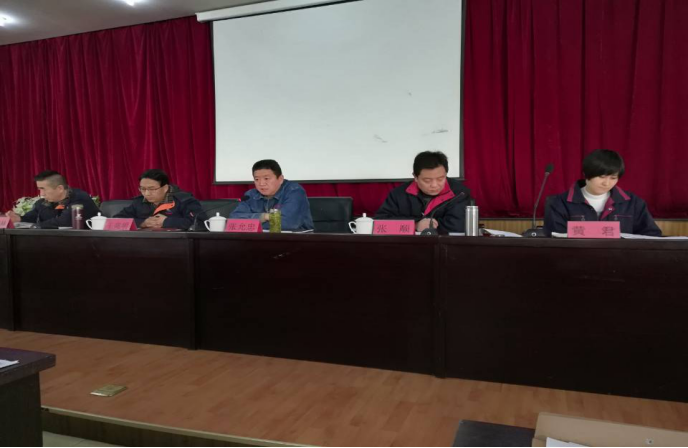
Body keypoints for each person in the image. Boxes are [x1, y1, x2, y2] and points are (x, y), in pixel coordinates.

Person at [544, 149, 662, 236]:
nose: (607, 183)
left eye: (613, 178)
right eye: (602, 177)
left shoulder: (633, 203)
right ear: (586, 174)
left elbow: (651, 236)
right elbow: (554, 240)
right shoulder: (559, 203)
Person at [376, 151, 472, 233]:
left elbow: (457, 226)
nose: (434, 185)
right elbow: (380, 223)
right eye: (427, 180)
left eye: (440, 179)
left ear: (446, 174)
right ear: (415, 177)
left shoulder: (459, 193)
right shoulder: (398, 194)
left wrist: (428, 226)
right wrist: (415, 225)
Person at [230, 160, 314, 231]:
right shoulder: (250, 195)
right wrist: (264, 216)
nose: (261, 183)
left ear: (280, 179)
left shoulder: (294, 191)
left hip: (296, 240)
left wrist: (249, 224)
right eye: (257, 179)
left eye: (266, 178)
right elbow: (233, 220)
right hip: (260, 240)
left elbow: (288, 224)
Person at [5, 171, 100, 229]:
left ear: (60, 188)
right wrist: (19, 219)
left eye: (43, 189)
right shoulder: (43, 202)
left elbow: (65, 222)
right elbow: (33, 216)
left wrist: (35, 226)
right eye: (39, 189)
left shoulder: (79, 198)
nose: (41, 194)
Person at [115, 169, 205, 230]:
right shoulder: (139, 202)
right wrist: (142, 223)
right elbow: (116, 220)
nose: (146, 193)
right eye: (142, 189)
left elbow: (201, 223)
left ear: (165, 188)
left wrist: (166, 222)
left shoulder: (184, 200)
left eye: (152, 189)